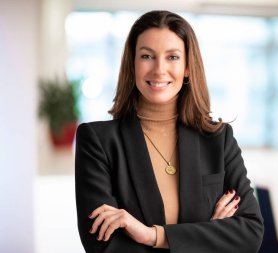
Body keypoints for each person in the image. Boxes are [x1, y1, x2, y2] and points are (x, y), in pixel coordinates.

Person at [75, 10, 264, 253]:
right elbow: (104, 245)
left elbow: (250, 232)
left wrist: (152, 235)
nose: (159, 70)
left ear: (187, 67)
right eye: (147, 56)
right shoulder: (97, 141)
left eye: (172, 57)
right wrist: (208, 235)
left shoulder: (219, 139)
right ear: (132, 65)